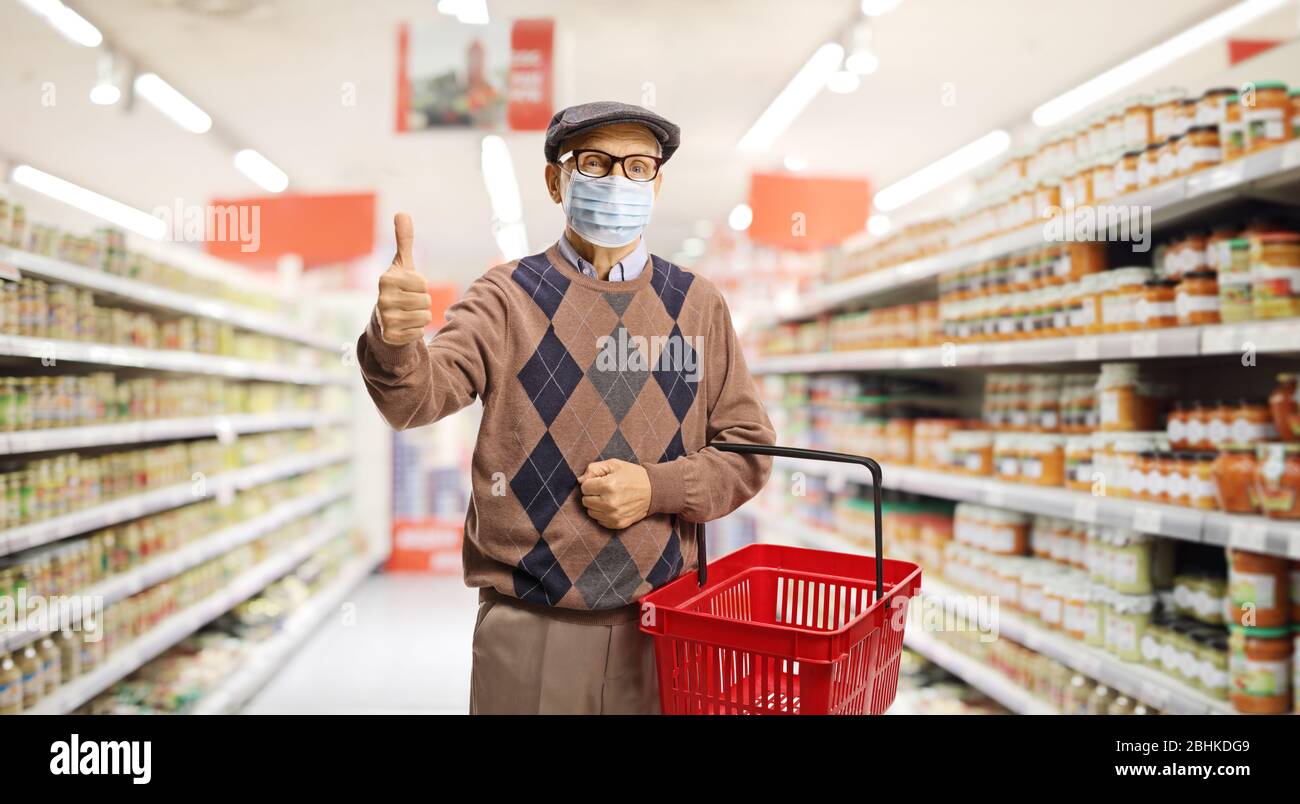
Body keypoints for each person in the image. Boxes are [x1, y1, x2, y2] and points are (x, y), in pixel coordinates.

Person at [356, 101, 775, 714]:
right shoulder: (506, 297)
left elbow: (749, 452)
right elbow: (416, 399)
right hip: (530, 627)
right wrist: (393, 342)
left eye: (637, 167)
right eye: (595, 164)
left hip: (665, 626)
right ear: (556, 180)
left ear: (657, 183)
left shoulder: (698, 304)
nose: (618, 181)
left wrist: (657, 488)